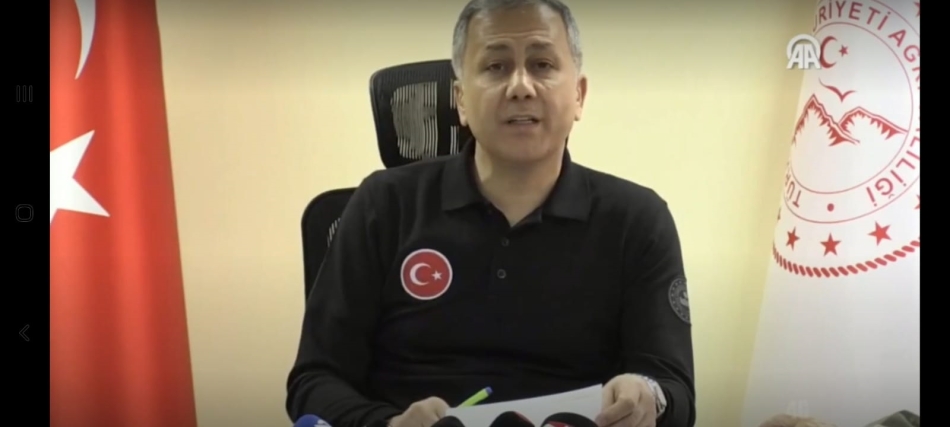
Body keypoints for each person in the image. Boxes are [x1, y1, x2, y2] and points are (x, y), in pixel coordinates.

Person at [286, 1, 696, 426]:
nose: (520, 87)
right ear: (461, 100)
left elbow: (676, 392)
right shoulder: (383, 204)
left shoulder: (637, 220)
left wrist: (649, 396)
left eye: (542, 64)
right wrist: (386, 424)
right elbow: (314, 381)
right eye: (496, 67)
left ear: (578, 95)